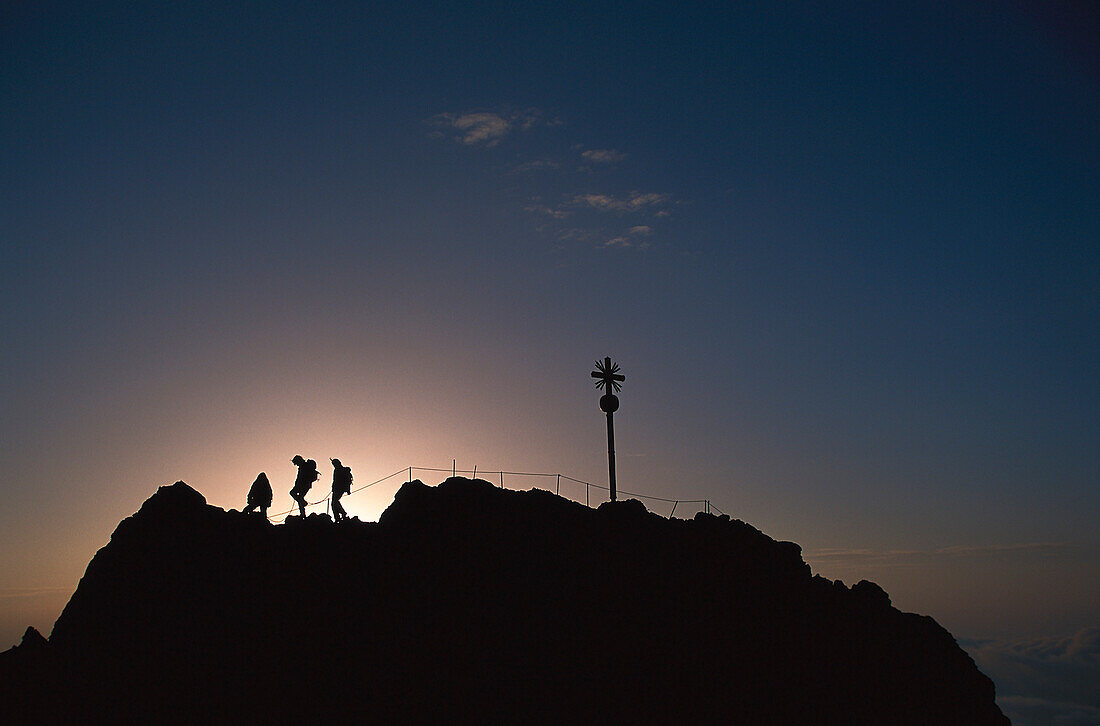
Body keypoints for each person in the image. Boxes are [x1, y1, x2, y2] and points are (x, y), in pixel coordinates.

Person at [330, 458, 353, 522]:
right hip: (338, 489)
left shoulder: (339, 470)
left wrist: (348, 490)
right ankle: (338, 517)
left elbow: (345, 480)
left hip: (338, 489)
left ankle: (341, 514)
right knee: (334, 502)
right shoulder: (339, 470)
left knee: (334, 502)